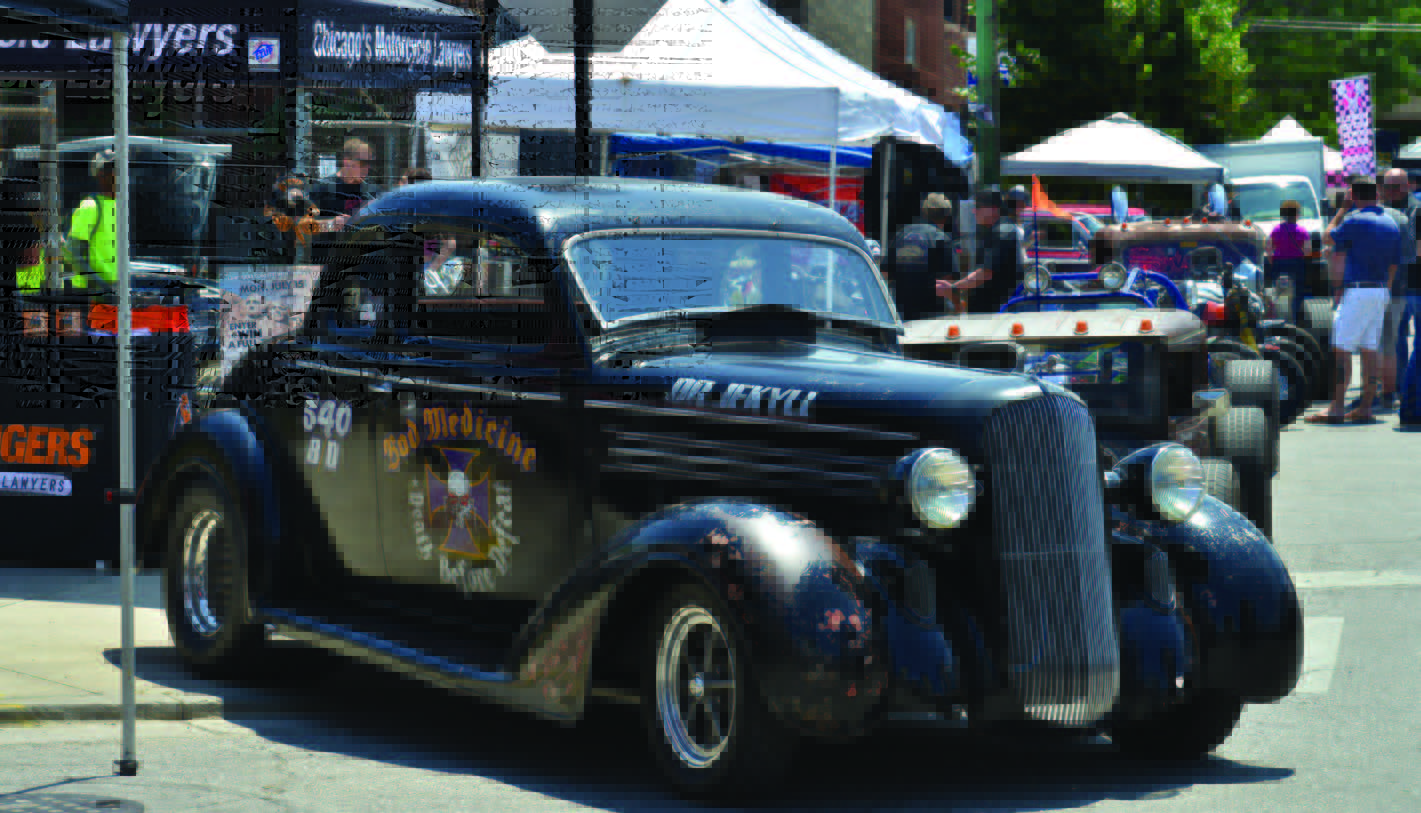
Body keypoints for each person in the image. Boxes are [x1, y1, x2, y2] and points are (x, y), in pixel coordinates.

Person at [1308, 176, 1405, 424]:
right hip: (1381, 290)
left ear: (1354, 196)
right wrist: (1385, 290)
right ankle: (1365, 408)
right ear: (1377, 194)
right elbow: (1394, 263)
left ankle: (1337, 407)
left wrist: (1342, 209)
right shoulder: (1390, 222)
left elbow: (1328, 237)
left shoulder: (1354, 219)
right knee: (1370, 350)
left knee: (1341, 350)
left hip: (1358, 290)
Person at [938, 188, 1021, 315]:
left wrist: (954, 287)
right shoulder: (993, 230)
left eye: (978, 207)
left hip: (997, 311)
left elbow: (986, 272)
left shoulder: (1002, 232)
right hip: (989, 310)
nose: (974, 211)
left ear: (993, 209)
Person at [1375, 168, 1418, 411]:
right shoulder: (1380, 211)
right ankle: (1399, 388)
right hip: (1392, 284)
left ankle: (1408, 390)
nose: (1392, 191)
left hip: (1412, 282)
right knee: (1394, 337)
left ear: (1408, 185)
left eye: (1397, 186)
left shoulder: (1417, 210)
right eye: (1388, 187)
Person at [885, 192, 956, 320]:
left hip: (901, 314)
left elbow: (885, 275)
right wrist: (958, 305)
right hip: (931, 316)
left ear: (924, 212)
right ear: (946, 217)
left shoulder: (901, 235)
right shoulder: (941, 238)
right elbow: (947, 281)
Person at [60, 148, 119, 290]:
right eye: (111, 169)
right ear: (100, 175)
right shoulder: (90, 207)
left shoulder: (119, 206)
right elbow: (72, 255)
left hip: (112, 291)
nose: (117, 173)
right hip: (90, 294)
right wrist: (103, 288)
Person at [308, 138, 382, 232]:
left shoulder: (373, 192)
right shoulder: (322, 189)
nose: (367, 168)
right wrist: (330, 224)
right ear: (346, 161)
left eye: (369, 163)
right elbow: (305, 224)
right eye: (363, 163)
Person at [1267, 200, 1310, 325]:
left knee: (1274, 291)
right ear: (1297, 214)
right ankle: (1296, 319)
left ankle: (1274, 315)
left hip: (1279, 264)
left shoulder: (1276, 229)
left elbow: (1269, 249)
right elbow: (1307, 251)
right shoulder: (1302, 230)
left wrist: (1272, 262)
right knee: (1299, 292)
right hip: (1297, 264)